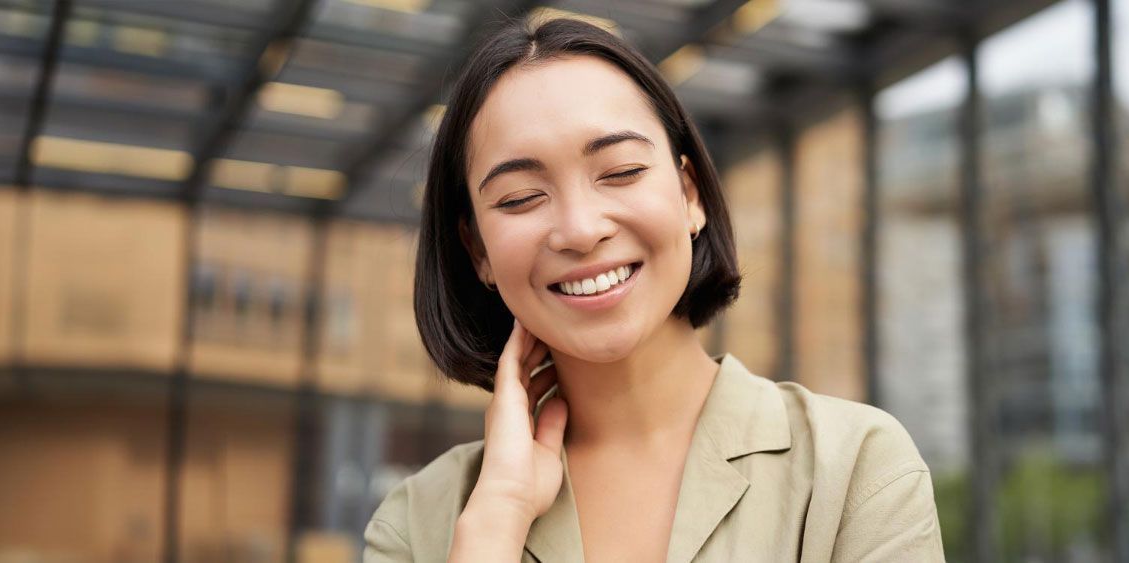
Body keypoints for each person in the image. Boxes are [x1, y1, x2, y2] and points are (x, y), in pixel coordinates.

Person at [363, 16, 945, 563]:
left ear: (689, 194)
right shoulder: (417, 523)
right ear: (478, 251)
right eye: (520, 198)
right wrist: (497, 520)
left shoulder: (854, 470)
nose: (581, 229)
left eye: (620, 172)